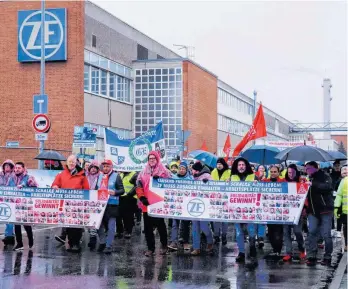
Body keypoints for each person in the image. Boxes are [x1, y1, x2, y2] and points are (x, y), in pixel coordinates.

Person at [52, 155, 90, 252]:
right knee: (68, 224)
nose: (71, 163)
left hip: (78, 203)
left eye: (73, 161)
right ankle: (70, 243)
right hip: (65, 203)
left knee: (76, 225)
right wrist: (55, 186)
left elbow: (87, 189)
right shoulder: (61, 174)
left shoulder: (82, 174)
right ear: (67, 162)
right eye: (70, 161)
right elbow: (55, 184)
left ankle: (76, 244)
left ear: (76, 162)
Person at [136, 151, 171, 257]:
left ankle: (164, 245)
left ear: (157, 159)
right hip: (146, 204)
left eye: (153, 158)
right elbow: (138, 185)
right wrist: (142, 197)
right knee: (147, 227)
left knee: (161, 226)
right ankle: (150, 248)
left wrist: (160, 179)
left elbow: (170, 182)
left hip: (158, 203)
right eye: (149, 158)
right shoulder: (143, 172)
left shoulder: (164, 171)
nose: (151, 160)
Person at [305, 161, 334, 266]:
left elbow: (328, 187)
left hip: (325, 209)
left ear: (315, 168)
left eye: (309, 168)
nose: (306, 170)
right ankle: (311, 256)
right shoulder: (307, 178)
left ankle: (327, 256)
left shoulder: (325, 176)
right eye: (306, 168)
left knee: (326, 234)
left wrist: (313, 184)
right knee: (312, 231)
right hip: (312, 210)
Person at [231, 157, 257, 267]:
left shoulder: (252, 177)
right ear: (236, 167)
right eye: (239, 165)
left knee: (251, 231)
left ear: (246, 166)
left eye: (243, 165)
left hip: (250, 209)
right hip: (236, 209)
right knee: (239, 232)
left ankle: (252, 248)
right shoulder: (232, 177)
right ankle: (241, 252)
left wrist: (257, 183)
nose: (241, 167)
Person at [96, 159, 125, 254]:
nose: (105, 168)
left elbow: (122, 190)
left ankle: (109, 245)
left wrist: (115, 192)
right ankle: (103, 242)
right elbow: (96, 189)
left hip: (112, 204)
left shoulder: (116, 176)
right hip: (100, 204)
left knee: (111, 226)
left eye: (107, 166)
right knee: (98, 225)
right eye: (104, 166)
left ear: (111, 167)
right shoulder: (99, 176)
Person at [9, 162, 38, 251]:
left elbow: (34, 186)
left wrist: (24, 185)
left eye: (19, 168)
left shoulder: (28, 177)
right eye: (16, 168)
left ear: (23, 168)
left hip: (26, 204)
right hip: (15, 203)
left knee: (26, 224)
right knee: (16, 224)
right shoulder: (11, 178)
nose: (17, 169)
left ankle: (30, 239)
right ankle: (19, 243)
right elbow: (7, 187)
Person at [282, 164, 306, 261]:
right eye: (289, 172)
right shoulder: (283, 181)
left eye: (292, 172)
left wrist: (305, 208)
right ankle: (288, 252)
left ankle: (301, 249)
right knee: (286, 232)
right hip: (286, 211)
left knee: (297, 231)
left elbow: (305, 195)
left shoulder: (301, 181)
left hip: (297, 212)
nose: (291, 174)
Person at [190, 162, 214, 256]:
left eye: (193, 170)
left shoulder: (207, 176)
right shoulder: (193, 177)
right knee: (195, 228)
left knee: (204, 227)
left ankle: (210, 242)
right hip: (194, 205)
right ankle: (196, 248)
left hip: (204, 205)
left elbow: (213, 187)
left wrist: (206, 183)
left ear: (197, 170)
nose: (191, 171)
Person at [263, 166, 286, 260]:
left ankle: (278, 250)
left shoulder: (283, 181)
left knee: (278, 232)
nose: (273, 173)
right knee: (271, 232)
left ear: (278, 172)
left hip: (280, 212)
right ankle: (275, 249)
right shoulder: (265, 181)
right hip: (269, 211)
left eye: (275, 171)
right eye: (271, 171)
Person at [168, 162, 192, 251]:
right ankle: (174, 241)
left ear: (186, 170)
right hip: (176, 204)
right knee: (175, 224)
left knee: (185, 224)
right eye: (180, 168)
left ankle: (185, 242)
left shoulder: (190, 179)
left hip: (186, 204)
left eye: (183, 169)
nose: (182, 170)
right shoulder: (174, 178)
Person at [211, 158, 231, 245]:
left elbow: (233, 182)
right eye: (217, 163)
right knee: (216, 219)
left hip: (226, 199)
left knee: (225, 220)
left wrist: (229, 181)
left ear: (224, 164)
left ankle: (224, 236)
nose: (219, 165)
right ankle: (216, 236)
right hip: (216, 198)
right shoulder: (214, 171)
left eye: (220, 164)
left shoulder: (229, 172)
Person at [117, 171, 138, 239]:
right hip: (120, 196)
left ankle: (128, 231)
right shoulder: (120, 174)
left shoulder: (134, 174)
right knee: (119, 214)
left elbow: (137, 186)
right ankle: (120, 231)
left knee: (128, 215)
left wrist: (129, 194)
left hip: (130, 197)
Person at [0, 160, 16, 246]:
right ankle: (9, 235)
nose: (6, 167)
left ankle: (9, 236)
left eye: (8, 166)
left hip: (10, 200)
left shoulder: (14, 176)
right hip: (1, 199)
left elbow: (13, 187)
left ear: (11, 167)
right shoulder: (0, 175)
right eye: (5, 166)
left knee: (9, 218)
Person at [86, 161, 100, 251]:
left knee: (93, 221)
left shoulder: (100, 177)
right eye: (92, 167)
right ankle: (91, 235)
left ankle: (93, 239)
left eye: (95, 167)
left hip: (95, 201)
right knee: (87, 220)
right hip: (86, 200)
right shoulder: (85, 176)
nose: (93, 169)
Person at [334, 174, 347, 252]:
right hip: (345, 210)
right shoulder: (344, 181)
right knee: (346, 227)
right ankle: (346, 244)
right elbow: (339, 195)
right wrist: (337, 207)